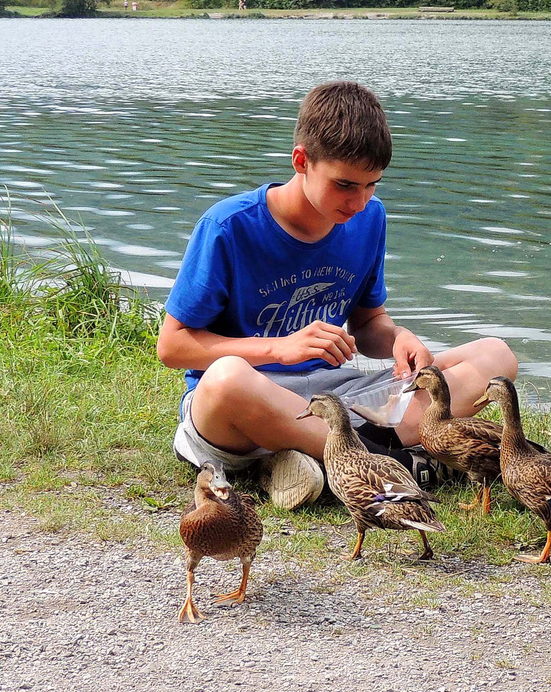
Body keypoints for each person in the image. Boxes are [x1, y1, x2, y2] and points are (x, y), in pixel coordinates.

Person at [157, 81, 518, 508]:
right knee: (226, 379)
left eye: (372, 186)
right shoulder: (228, 227)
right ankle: (393, 462)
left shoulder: (369, 219)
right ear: (301, 161)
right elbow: (172, 346)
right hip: (248, 402)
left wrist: (398, 337)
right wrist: (281, 349)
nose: (360, 202)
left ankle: (317, 464)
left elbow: (367, 326)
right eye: (346, 185)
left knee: (495, 356)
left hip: (339, 402)